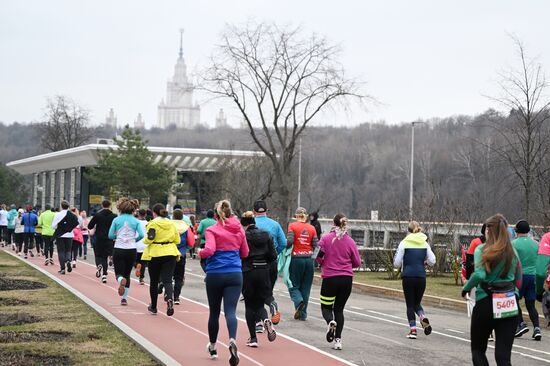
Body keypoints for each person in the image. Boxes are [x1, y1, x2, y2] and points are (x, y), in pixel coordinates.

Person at [462, 214, 522, 366]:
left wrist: (466, 288)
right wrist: (515, 293)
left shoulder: (482, 249)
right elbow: (519, 277)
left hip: (486, 301)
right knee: (503, 357)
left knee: (478, 350)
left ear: (488, 231)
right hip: (509, 301)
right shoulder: (512, 251)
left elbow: (480, 274)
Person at [199, 200, 248, 366]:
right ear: (231, 213)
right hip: (235, 274)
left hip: (215, 274)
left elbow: (210, 250)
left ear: (215, 215)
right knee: (230, 312)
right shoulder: (239, 229)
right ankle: (232, 339)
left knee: (214, 312)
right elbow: (245, 252)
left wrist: (201, 252)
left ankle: (213, 346)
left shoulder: (211, 230)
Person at [316, 213, 361, 350]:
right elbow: (357, 262)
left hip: (330, 278)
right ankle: (338, 341)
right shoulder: (351, 242)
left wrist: (323, 263)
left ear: (333, 223)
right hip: (346, 279)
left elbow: (318, 258)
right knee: (339, 309)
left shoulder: (325, 239)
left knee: (326, 308)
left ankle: (330, 322)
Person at [393, 221, 436, 339]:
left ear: (409, 230)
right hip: (421, 277)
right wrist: (425, 262)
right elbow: (433, 260)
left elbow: (396, 263)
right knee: (417, 303)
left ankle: (413, 330)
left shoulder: (404, 243)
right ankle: (423, 319)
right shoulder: (424, 243)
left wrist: (403, 263)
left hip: (408, 276)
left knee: (410, 305)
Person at [240, 211, 277, 347]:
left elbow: (241, 253)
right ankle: (266, 319)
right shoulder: (266, 234)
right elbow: (273, 255)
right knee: (260, 303)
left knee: (249, 305)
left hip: (248, 271)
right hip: (263, 271)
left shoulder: (243, 235)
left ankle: (253, 338)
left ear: (244, 224)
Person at [142, 203, 180, 316]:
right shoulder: (171, 223)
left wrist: (145, 241)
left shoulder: (153, 223)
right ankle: (169, 298)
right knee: (168, 280)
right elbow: (177, 240)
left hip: (156, 253)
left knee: (154, 281)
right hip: (171, 252)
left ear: (154, 213)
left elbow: (150, 238)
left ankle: (153, 306)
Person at [253, 200, 286, 325]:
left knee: (255, 293)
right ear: (267, 211)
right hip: (271, 263)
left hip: (255, 263)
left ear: (254, 211)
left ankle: (258, 323)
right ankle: (271, 304)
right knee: (267, 291)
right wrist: (274, 253)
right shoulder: (275, 225)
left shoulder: (251, 224)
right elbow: (283, 243)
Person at [108, 198, 143, 306]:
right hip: (131, 250)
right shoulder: (136, 221)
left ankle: (120, 280)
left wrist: (117, 237)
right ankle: (124, 299)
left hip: (119, 248)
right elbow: (141, 235)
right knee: (127, 274)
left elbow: (110, 235)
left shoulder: (116, 220)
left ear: (120, 208)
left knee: (118, 272)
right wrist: (134, 240)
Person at [285, 207, 318, 321]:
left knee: (293, 285)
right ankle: (302, 315)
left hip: (296, 259)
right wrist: (313, 258)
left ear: (296, 216)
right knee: (306, 288)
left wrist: (283, 248)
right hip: (309, 260)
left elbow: (289, 242)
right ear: (306, 216)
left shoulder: (292, 226)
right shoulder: (312, 228)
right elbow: (316, 245)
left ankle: (299, 302)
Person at [512, 220, 541, 340]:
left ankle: (521, 324)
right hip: (533, 277)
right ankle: (537, 328)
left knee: (514, 300)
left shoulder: (513, 244)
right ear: (528, 231)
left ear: (517, 231)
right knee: (531, 304)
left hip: (520, 276)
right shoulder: (536, 244)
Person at [163, 209, 195, 304]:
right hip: (181, 254)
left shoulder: (168, 225)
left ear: (173, 216)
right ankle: (176, 297)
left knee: (168, 275)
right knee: (179, 277)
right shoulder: (186, 227)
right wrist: (186, 248)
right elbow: (191, 242)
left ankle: (166, 292)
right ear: (182, 217)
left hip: (169, 252)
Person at [88, 200, 117, 283]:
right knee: (105, 257)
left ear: (102, 205)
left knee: (99, 255)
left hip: (99, 238)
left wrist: (97, 225)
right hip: (109, 239)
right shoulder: (114, 216)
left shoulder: (97, 215)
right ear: (110, 205)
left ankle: (99, 265)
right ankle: (104, 275)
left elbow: (90, 226)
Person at [52, 201, 79, 275]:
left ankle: (62, 268)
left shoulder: (57, 214)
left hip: (60, 235)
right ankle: (68, 260)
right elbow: (76, 224)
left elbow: (53, 226)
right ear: (68, 207)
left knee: (61, 251)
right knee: (68, 250)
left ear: (61, 206)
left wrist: (60, 228)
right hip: (69, 235)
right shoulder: (72, 215)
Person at [134, 209, 148, 285]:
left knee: (134, 260)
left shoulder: (136, 222)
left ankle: (136, 265)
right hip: (145, 245)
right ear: (145, 215)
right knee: (143, 263)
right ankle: (141, 279)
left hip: (136, 244)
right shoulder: (148, 223)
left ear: (138, 214)